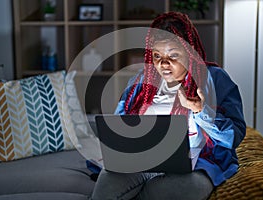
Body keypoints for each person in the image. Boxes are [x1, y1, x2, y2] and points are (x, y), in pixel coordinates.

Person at [91, 11, 246, 200]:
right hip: (141, 160)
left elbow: (234, 136)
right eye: (157, 56)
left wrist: (200, 111)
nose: (163, 64)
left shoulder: (216, 79)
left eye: (173, 56)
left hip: (196, 163)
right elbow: (119, 125)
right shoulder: (140, 81)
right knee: (108, 180)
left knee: (186, 189)